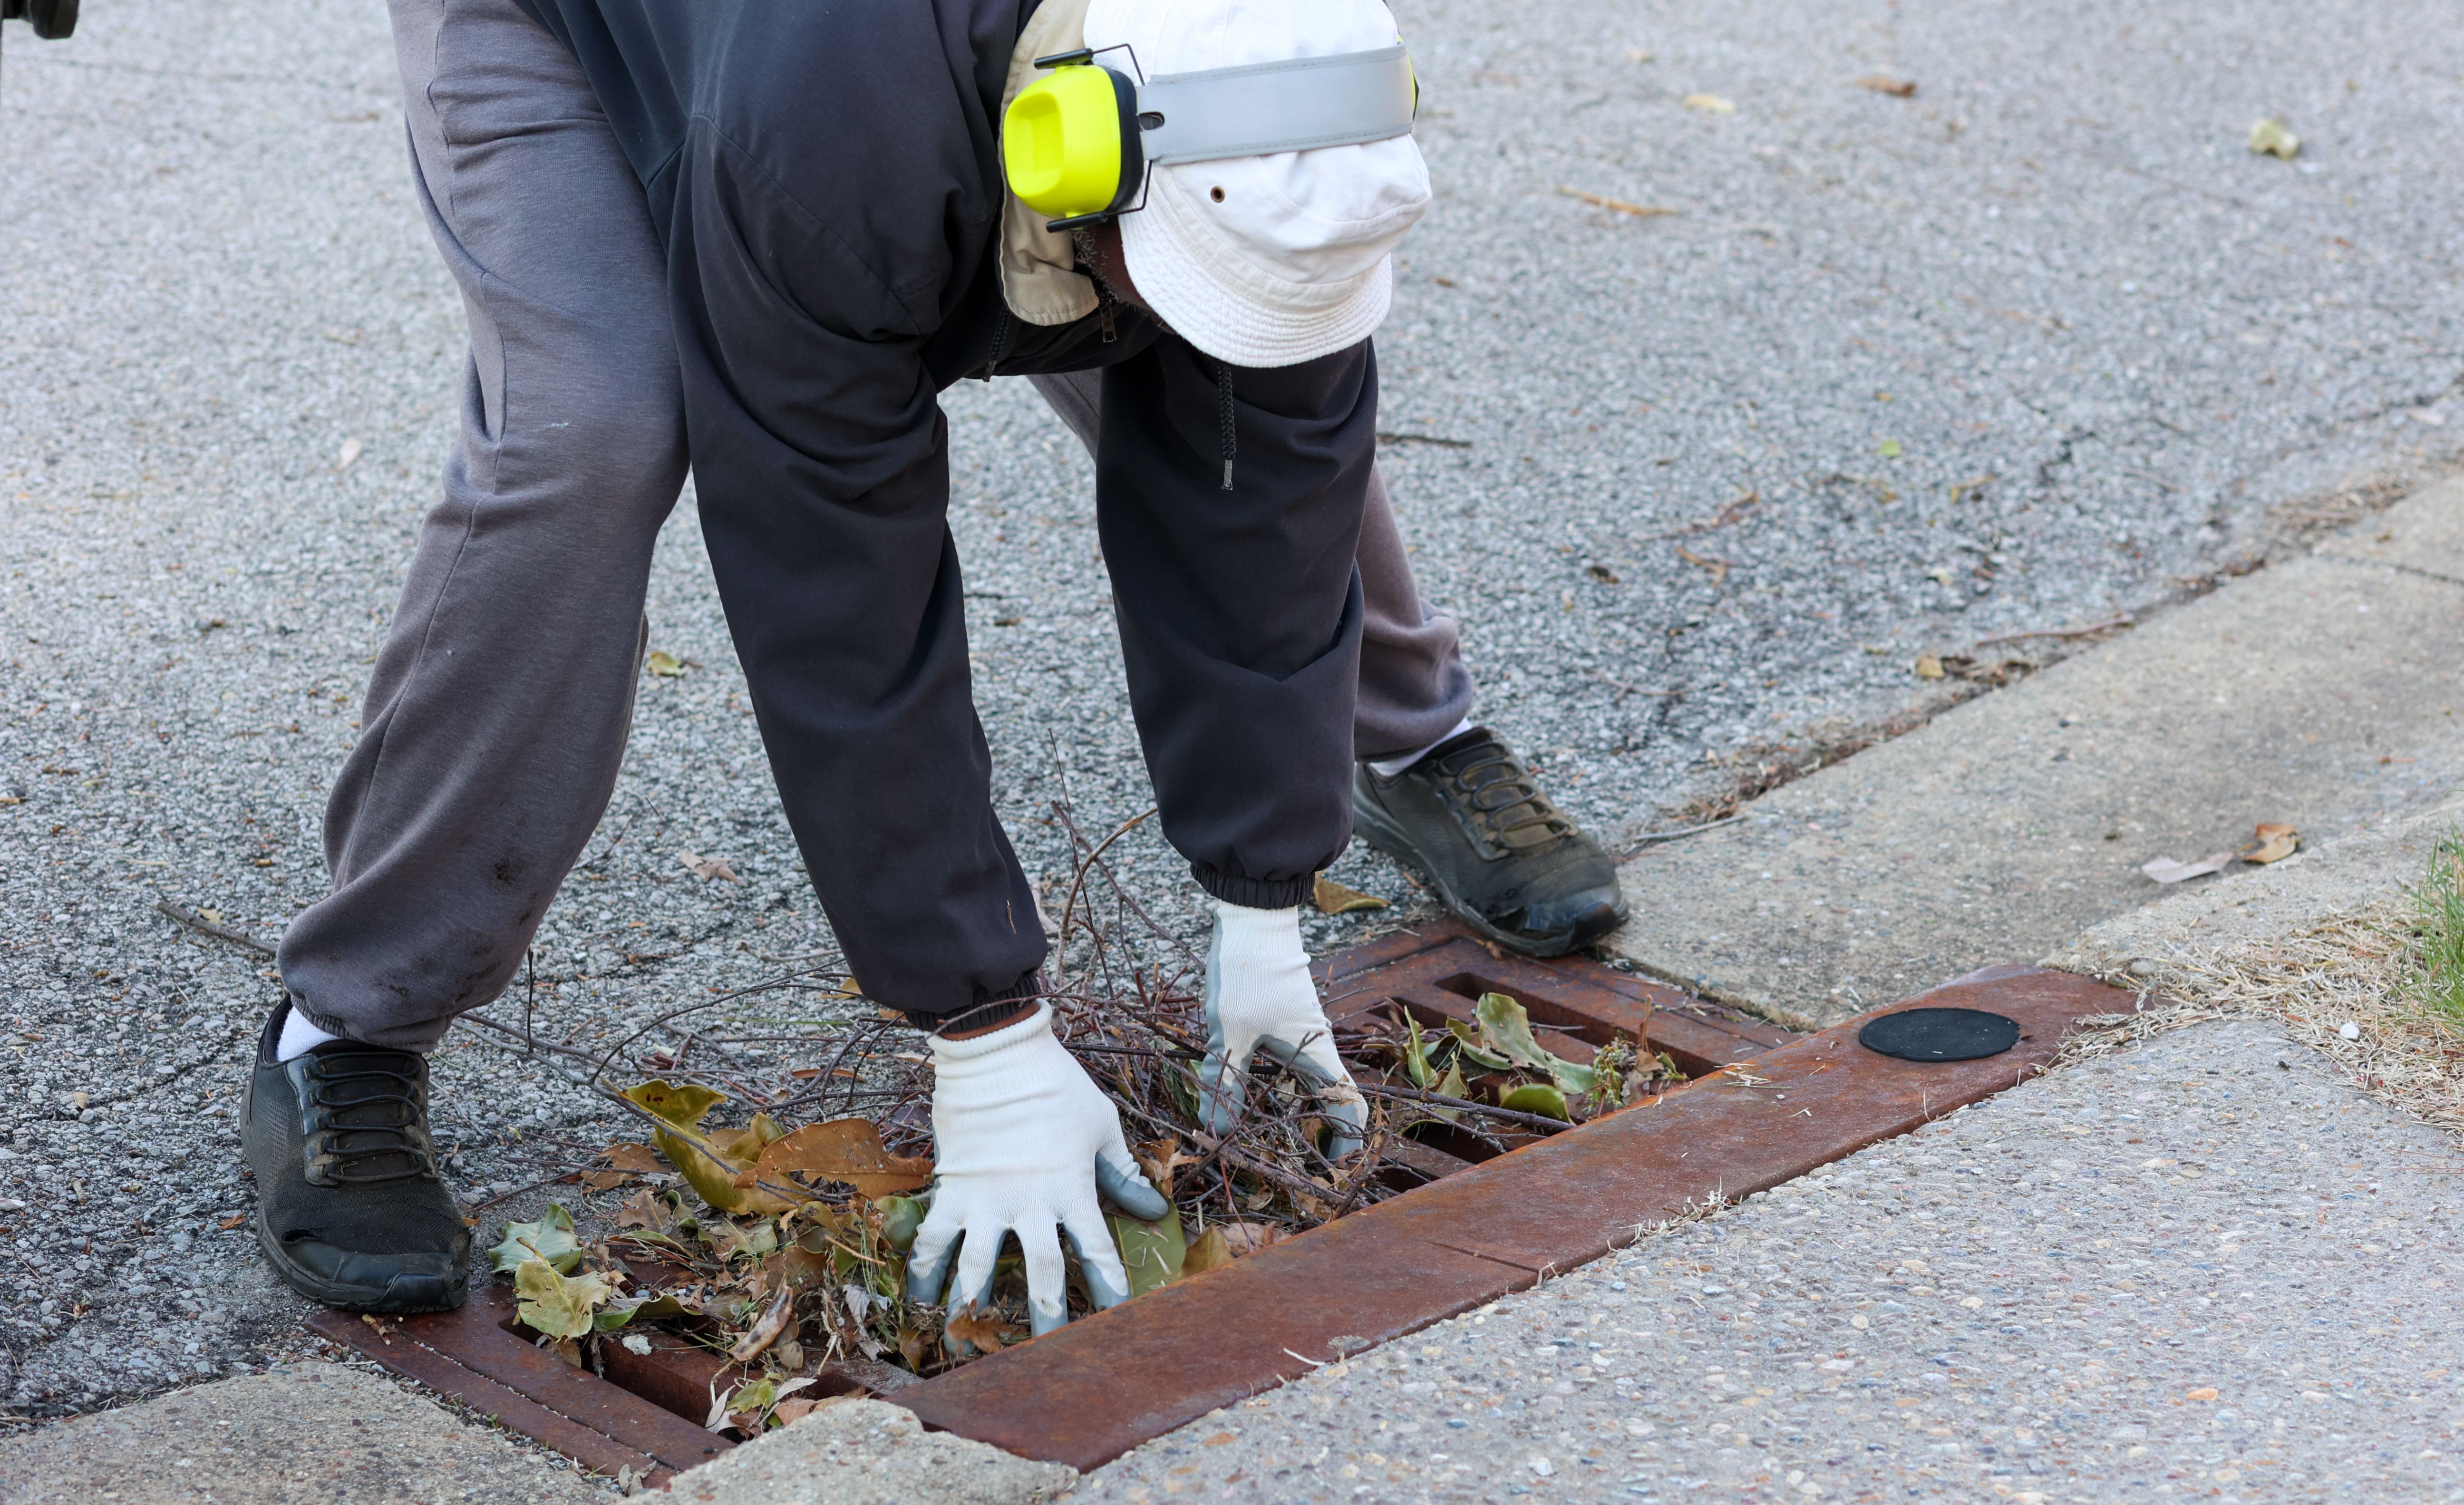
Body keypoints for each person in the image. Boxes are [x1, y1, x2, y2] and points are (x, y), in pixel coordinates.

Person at [238, 0, 1625, 1327]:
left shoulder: (1274, 71)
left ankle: (1406, 737)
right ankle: (351, 1024)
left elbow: (1264, 465)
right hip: (647, 42)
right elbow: (834, 577)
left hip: (971, 101)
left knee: (1249, 339)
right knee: (595, 430)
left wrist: (1265, 892)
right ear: (1070, 152)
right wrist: (985, 1030)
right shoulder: (823, 152)